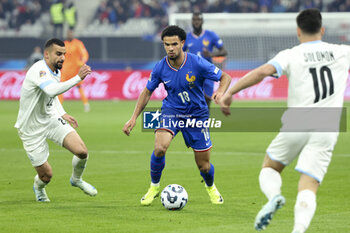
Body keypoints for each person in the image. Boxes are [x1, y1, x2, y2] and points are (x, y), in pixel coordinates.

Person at [219, 8, 349, 233]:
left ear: (298, 31)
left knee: (270, 167)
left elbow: (262, 72)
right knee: (309, 184)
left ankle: (275, 196)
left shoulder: (291, 54)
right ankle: (298, 230)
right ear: (322, 29)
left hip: (297, 122)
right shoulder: (342, 52)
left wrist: (230, 92)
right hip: (328, 126)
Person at [123, 25, 231, 206]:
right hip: (171, 111)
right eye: (166, 44)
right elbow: (147, 92)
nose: (170, 48)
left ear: (182, 43)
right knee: (160, 148)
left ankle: (210, 187)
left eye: (174, 44)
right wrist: (133, 117)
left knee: (203, 166)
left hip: (197, 115)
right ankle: (154, 187)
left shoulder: (196, 62)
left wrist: (220, 92)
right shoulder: (160, 67)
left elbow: (225, 77)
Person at [15, 38, 97, 202]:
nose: (62, 58)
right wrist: (77, 78)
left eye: (64, 54)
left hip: (50, 118)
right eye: (58, 54)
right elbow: (51, 90)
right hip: (30, 128)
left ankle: (76, 179)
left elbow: (50, 98)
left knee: (82, 151)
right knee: (46, 176)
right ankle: (39, 187)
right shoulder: (39, 70)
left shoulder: (56, 71)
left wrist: (62, 112)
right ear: (46, 54)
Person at [183, 12, 227, 108]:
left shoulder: (211, 35)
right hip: (192, 72)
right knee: (192, 100)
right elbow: (179, 54)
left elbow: (223, 51)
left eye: (198, 20)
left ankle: (204, 121)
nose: (196, 22)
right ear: (192, 21)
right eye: (194, 20)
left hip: (207, 71)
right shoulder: (186, 37)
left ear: (202, 21)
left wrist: (210, 54)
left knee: (207, 100)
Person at [59, 29, 90, 112]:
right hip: (65, 71)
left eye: (71, 34)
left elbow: (84, 54)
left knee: (79, 87)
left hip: (75, 70)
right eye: (68, 34)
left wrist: (82, 62)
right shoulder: (63, 44)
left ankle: (86, 104)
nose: (69, 35)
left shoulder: (78, 43)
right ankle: (59, 106)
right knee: (60, 88)